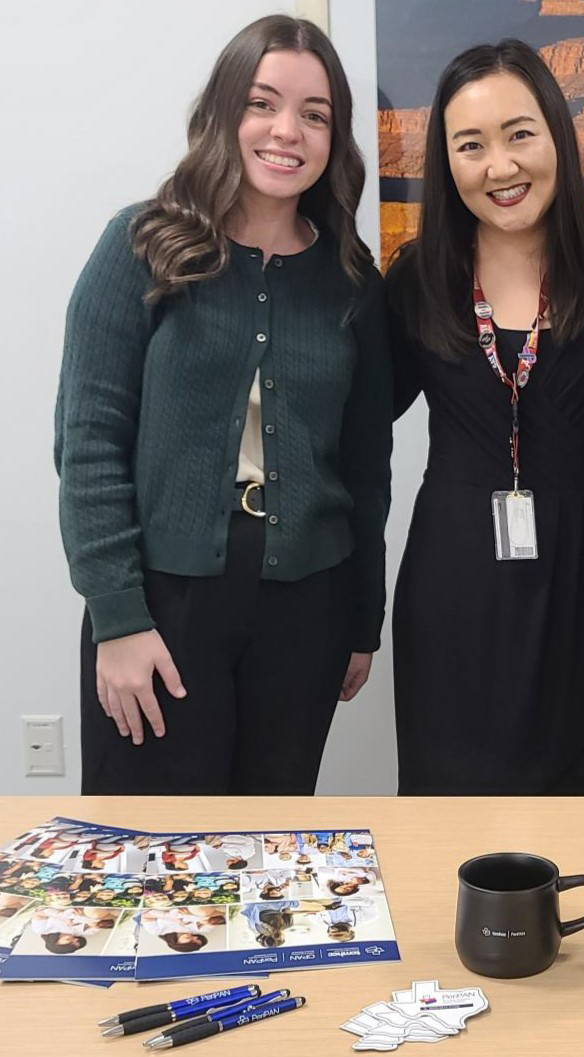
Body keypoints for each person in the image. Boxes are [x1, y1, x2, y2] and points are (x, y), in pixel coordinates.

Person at [55, 15, 392, 796]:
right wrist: (118, 616)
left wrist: (361, 620)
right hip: (163, 603)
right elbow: (89, 444)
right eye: (262, 103)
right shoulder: (140, 245)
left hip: (308, 604)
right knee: (149, 854)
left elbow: (366, 463)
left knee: (269, 855)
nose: (287, 131)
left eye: (315, 114)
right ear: (222, 114)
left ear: (334, 138)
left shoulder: (351, 281)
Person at [386, 39, 584, 795]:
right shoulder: (420, 276)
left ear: (556, 138)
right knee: (452, 824)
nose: (498, 167)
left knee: (574, 822)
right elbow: (345, 424)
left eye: (518, 134)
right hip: (456, 585)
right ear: (447, 163)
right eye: (469, 145)